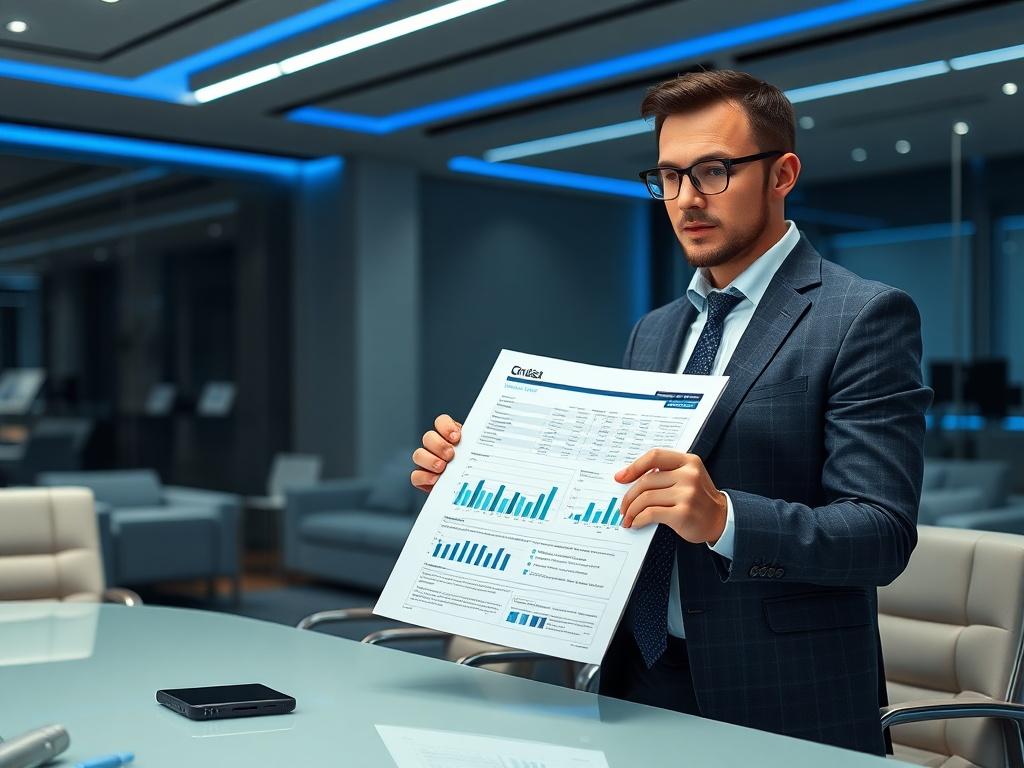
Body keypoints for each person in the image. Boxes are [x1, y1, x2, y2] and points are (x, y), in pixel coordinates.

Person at [410, 69, 932, 756]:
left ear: (783, 174)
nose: (687, 199)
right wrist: (483, 475)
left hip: (781, 695)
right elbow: (616, 490)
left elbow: (880, 534)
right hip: (640, 673)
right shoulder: (655, 330)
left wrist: (725, 518)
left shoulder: (861, 315)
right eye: (669, 177)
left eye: (713, 171)